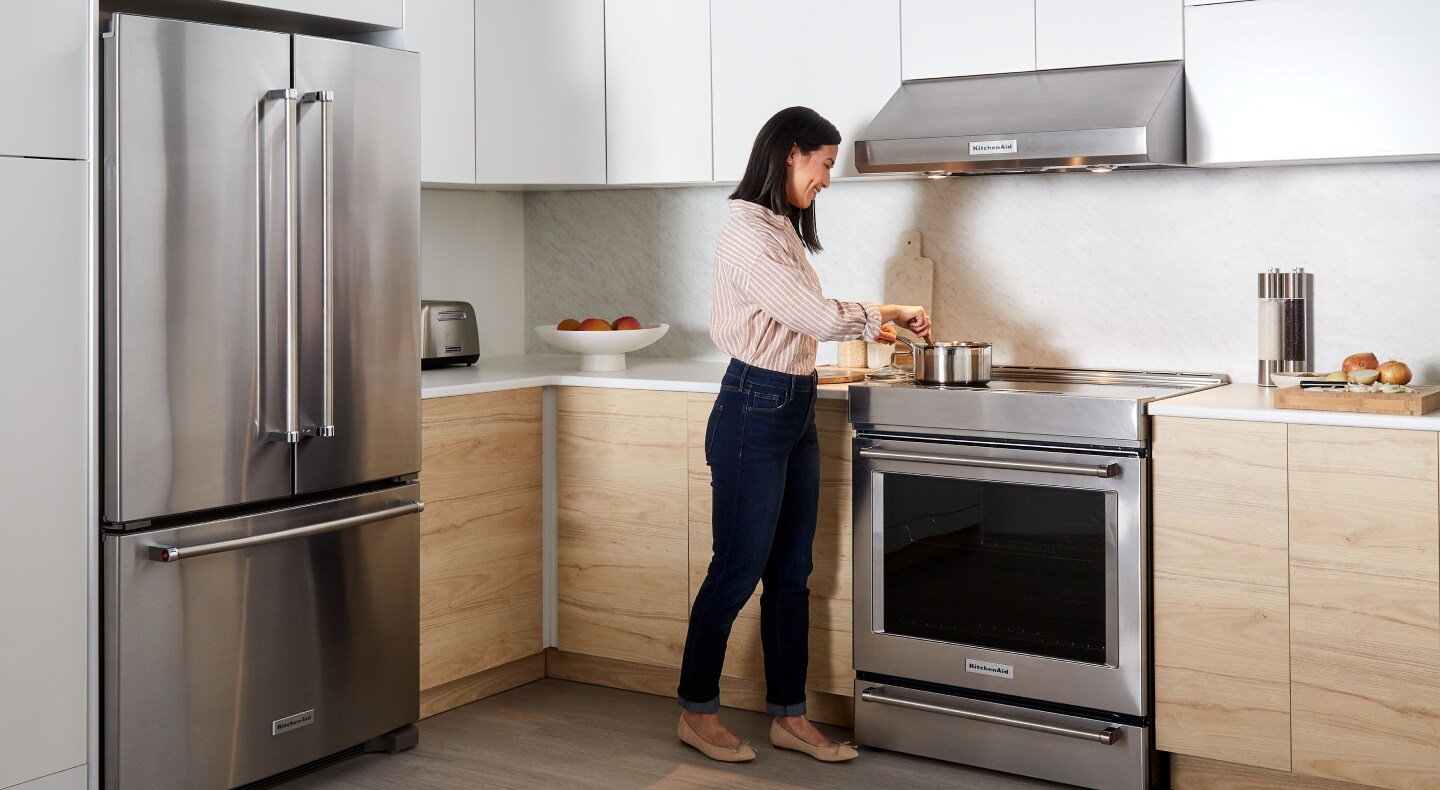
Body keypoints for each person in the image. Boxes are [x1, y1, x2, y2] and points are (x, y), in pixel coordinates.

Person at [675, 106, 931, 764]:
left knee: (791, 573)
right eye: (823, 164)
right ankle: (697, 711)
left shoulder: (779, 227)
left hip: (791, 404)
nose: (826, 179)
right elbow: (813, 315)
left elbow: (803, 316)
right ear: (790, 153)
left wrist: (879, 315)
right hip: (752, 408)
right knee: (737, 570)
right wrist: (880, 311)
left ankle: (789, 716)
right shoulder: (747, 232)